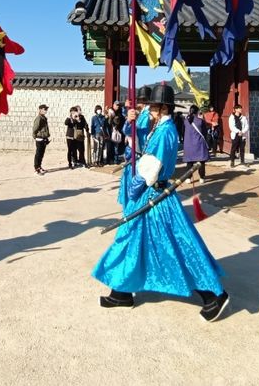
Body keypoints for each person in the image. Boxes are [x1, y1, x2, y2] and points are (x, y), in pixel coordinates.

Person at [92, 83, 230, 322]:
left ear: (164, 107)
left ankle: (212, 296)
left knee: (174, 246)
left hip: (154, 194)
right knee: (131, 241)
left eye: (154, 106)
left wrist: (134, 188)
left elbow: (152, 167)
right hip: (152, 192)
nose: (150, 109)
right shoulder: (160, 127)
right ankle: (121, 291)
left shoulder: (166, 131)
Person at [117, 86, 152, 210]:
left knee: (135, 189)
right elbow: (128, 131)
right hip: (135, 155)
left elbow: (133, 132)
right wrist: (129, 119)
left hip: (139, 157)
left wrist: (129, 121)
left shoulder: (147, 116)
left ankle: (132, 211)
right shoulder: (142, 114)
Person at [182, 104, 210, 182]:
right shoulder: (201, 121)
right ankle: (201, 178)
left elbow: (183, 132)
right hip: (199, 143)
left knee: (189, 162)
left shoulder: (185, 121)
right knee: (201, 161)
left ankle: (188, 178)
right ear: (197, 112)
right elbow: (204, 133)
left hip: (188, 144)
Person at [32, 104, 50, 175]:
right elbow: (35, 129)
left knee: (41, 154)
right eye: (44, 109)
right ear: (40, 110)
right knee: (38, 154)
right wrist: (35, 137)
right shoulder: (39, 118)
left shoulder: (44, 118)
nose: (46, 111)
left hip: (43, 139)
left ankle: (39, 166)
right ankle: (36, 169)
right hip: (39, 139)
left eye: (46, 109)